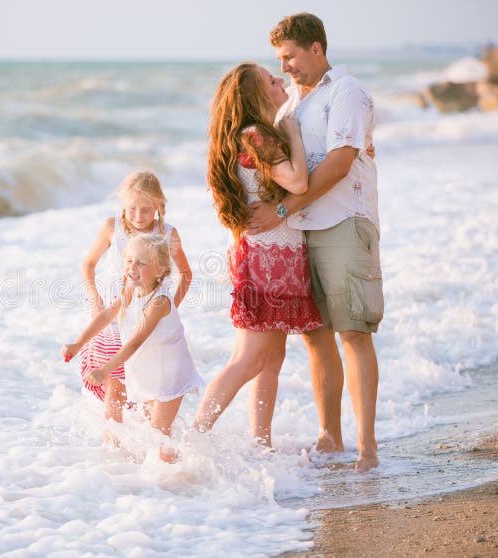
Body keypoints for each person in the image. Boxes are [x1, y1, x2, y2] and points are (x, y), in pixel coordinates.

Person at [247, 13, 383, 471]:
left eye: (289, 57)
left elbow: (342, 162)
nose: (284, 67)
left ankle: (366, 449)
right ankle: (330, 438)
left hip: (346, 222)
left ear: (316, 50)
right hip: (304, 233)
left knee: (353, 332)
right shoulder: (292, 108)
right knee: (315, 336)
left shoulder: (347, 93)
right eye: (279, 60)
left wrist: (282, 208)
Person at [192, 62, 323, 447]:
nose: (280, 80)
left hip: (276, 257)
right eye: (271, 80)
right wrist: (293, 131)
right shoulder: (256, 136)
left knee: (272, 358)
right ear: (257, 96)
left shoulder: (252, 135)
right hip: (267, 261)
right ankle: (192, 438)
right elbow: (298, 181)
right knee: (249, 358)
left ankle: (260, 443)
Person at [63, 233, 204, 463]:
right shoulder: (131, 288)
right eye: (129, 261)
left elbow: (135, 340)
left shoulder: (159, 302)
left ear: (159, 271)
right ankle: (170, 468)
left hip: (170, 374)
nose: (132, 267)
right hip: (148, 369)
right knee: (153, 428)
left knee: (159, 434)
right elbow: (109, 314)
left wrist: (105, 370)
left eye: (141, 263)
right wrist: (78, 343)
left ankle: (176, 481)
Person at [78, 171, 192, 432]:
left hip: (146, 318)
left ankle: (149, 445)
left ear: (159, 207)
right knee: (115, 386)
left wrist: (168, 309)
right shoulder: (111, 228)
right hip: (113, 317)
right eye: (132, 209)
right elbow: (88, 264)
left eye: (146, 209)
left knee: (148, 386)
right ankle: (113, 449)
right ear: (122, 206)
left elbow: (186, 273)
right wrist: (94, 298)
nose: (138, 216)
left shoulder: (168, 232)